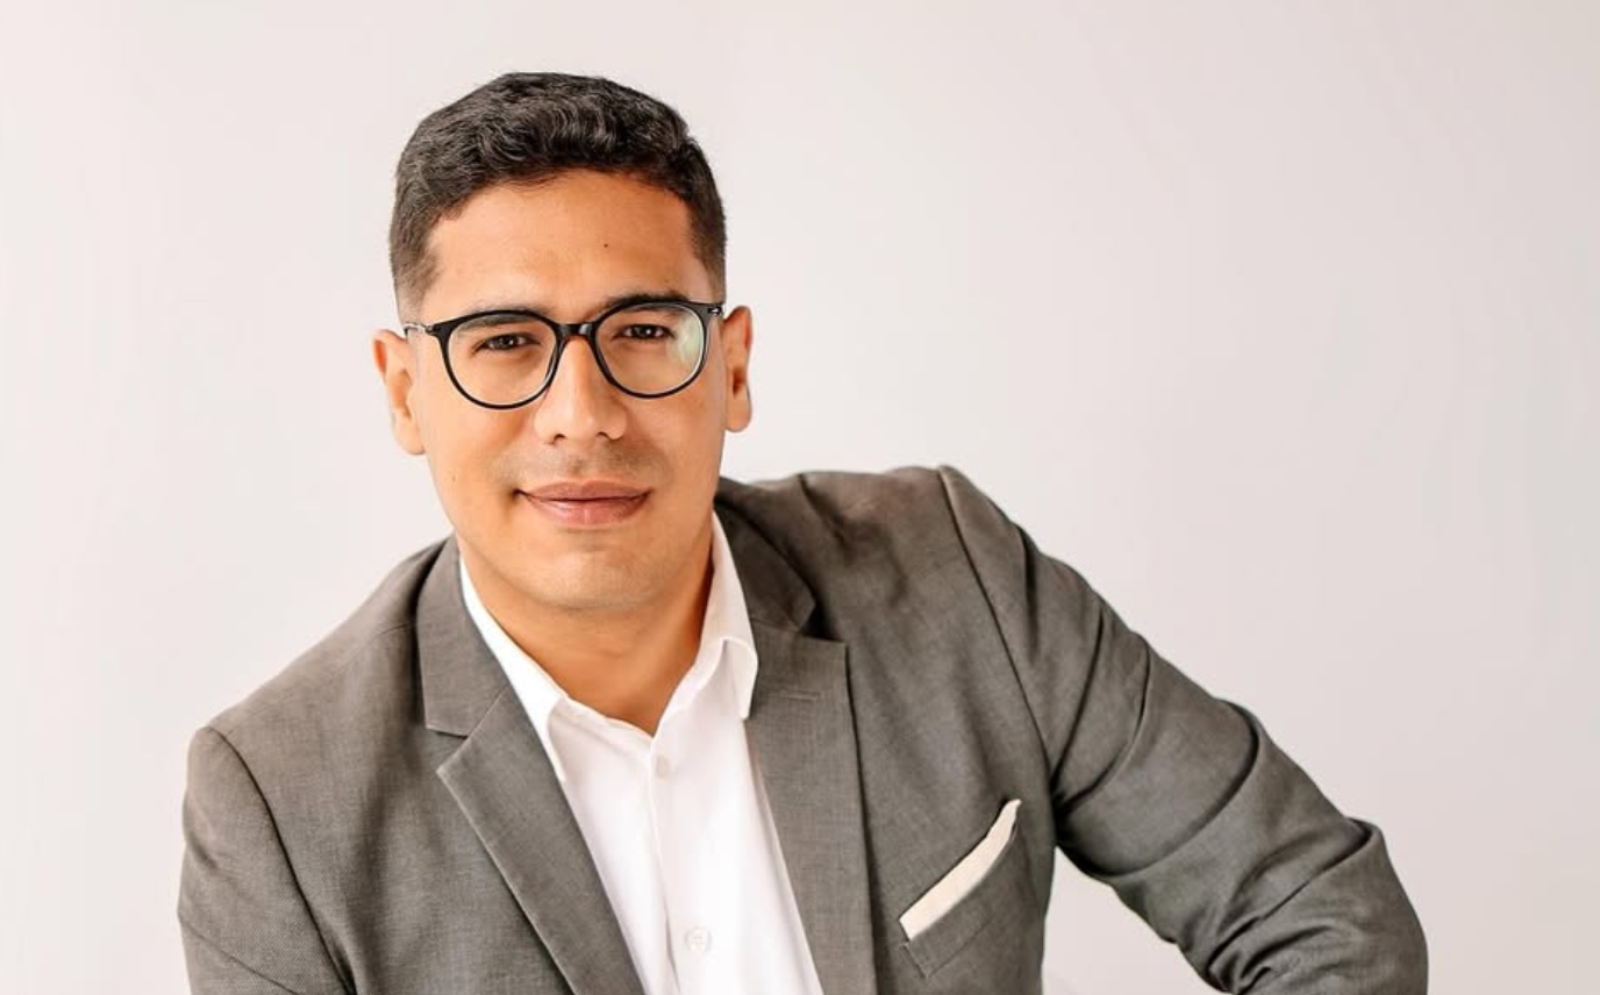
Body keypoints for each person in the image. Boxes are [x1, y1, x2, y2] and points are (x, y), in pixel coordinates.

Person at [177, 72, 1427, 995]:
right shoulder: (279, 800)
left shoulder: (954, 574)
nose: (582, 413)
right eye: (504, 342)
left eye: (642, 332)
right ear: (405, 392)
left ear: (731, 367)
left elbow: (1323, 914)